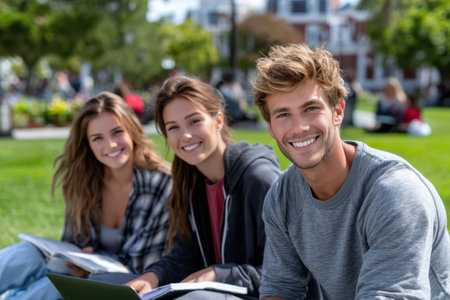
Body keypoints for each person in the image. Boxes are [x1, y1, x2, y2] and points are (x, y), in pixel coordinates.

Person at [252, 44, 450, 299]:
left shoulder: (395, 193)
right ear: (270, 127)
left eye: (311, 109)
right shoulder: (282, 198)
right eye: (283, 115)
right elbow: (281, 288)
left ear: (338, 112)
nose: (299, 127)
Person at [96, 75, 280, 299]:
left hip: (254, 295)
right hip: (210, 293)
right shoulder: (190, 182)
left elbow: (283, 274)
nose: (185, 135)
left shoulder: (258, 178)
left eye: (194, 121)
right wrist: (154, 275)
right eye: (173, 127)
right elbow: (186, 257)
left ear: (218, 120)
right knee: (102, 283)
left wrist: (218, 275)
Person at [0, 92, 172, 300]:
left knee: (56, 287)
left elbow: (139, 263)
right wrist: (78, 259)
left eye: (117, 132)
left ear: (132, 130)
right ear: (88, 144)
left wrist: (90, 266)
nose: (110, 145)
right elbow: (71, 241)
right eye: (97, 138)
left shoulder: (162, 183)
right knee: (28, 253)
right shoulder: (84, 180)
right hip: (87, 270)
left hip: (131, 282)